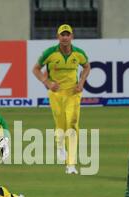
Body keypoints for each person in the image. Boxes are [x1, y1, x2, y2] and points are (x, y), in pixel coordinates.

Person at [32, 24, 91, 175]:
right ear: (58, 37)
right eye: (62, 35)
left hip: (73, 93)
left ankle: (70, 164)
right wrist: (47, 83)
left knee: (72, 124)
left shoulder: (78, 53)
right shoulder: (50, 53)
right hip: (56, 94)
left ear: (72, 37)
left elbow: (86, 67)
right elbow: (36, 69)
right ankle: (59, 146)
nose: (65, 37)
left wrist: (81, 83)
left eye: (67, 34)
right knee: (61, 124)